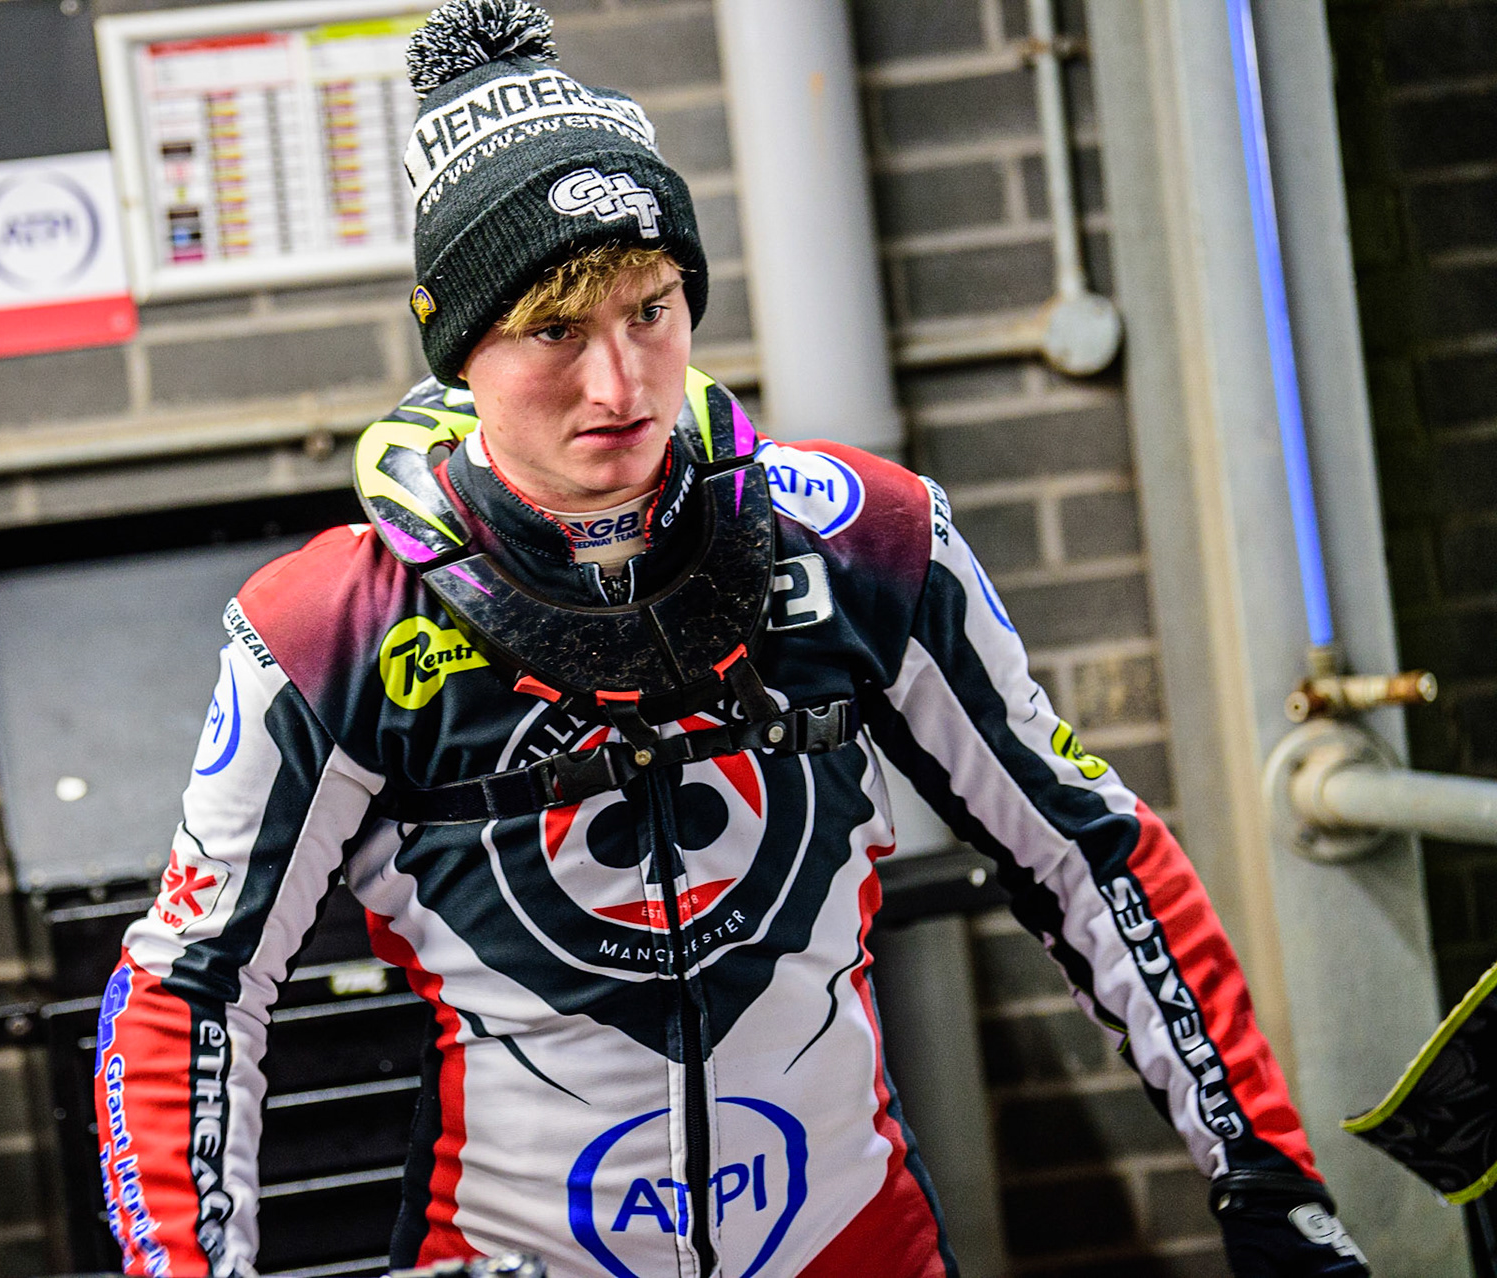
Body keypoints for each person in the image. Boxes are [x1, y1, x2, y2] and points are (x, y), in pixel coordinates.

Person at [93, 3, 1370, 1275]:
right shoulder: (329, 629)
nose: (621, 382)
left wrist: (1267, 1177)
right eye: (553, 332)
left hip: (853, 1246)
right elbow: (183, 995)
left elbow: (1093, 854)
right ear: (456, 346)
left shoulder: (868, 540)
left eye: (650, 308)